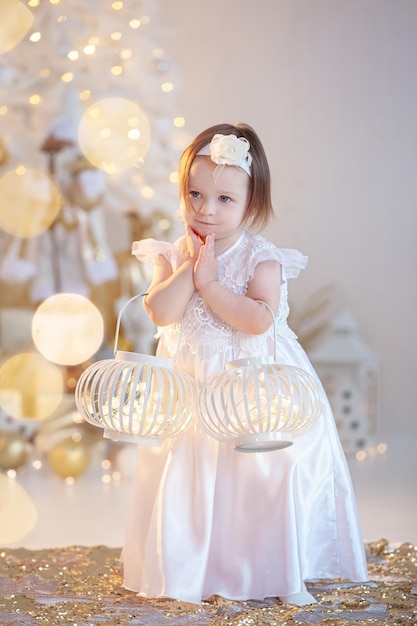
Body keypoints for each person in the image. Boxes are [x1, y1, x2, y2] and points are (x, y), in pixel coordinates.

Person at [122, 123, 368, 605]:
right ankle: (191, 565)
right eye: (195, 194)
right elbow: (159, 311)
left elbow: (258, 320)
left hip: (250, 392)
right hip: (191, 391)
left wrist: (212, 285)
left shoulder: (262, 259)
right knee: (188, 472)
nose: (205, 209)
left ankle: (258, 567)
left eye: (224, 200)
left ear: (251, 205)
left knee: (253, 477)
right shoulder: (174, 253)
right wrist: (190, 273)